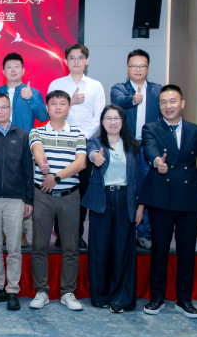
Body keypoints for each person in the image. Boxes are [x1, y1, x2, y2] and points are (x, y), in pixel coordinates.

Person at [140, 84, 197, 319]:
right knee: (159, 249)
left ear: (182, 104)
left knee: (186, 251)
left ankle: (184, 299)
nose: (168, 106)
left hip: (188, 200)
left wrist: (188, 182)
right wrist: (157, 163)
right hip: (160, 198)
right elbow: (150, 151)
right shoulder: (151, 128)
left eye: (172, 101)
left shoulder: (196, 131)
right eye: (163, 102)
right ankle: (157, 297)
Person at [81, 104, 144, 313]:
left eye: (116, 118)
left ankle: (121, 298)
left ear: (123, 121)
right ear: (102, 122)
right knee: (100, 249)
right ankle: (100, 296)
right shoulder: (95, 142)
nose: (112, 122)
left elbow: (139, 178)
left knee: (122, 250)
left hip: (126, 200)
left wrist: (140, 205)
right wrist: (95, 157)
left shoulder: (134, 146)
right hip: (102, 200)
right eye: (108, 118)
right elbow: (91, 152)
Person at [28, 90, 86, 311]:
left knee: (70, 246)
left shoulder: (78, 133)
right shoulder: (37, 131)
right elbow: (37, 149)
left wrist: (56, 177)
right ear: (47, 107)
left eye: (63, 103)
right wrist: (42, 164)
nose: (58, 107)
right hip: (42, 196)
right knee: (39, 246)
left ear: (69, 107)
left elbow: (81, 163)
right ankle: (41, 291)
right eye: (54, 103)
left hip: (69, 196)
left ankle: (67, 292)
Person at [0, 52, 47, 248]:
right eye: (9, 67)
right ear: (3, 71)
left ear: (23, 70)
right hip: (0, 148)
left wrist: (31, 99)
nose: (13, 70)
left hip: (24, 148)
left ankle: (22, 231)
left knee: (25, 188)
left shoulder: (32, 92)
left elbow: (43, 116)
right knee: (3, 187)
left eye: (16, 66)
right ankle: (4, 231)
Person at [0, 93, 33, 311]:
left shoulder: (22, 135)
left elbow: (28, 170)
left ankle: (12, 290)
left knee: (14, 248)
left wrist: (29, 199)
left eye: (3, 107)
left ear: (10, 110)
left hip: (15, 199)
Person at [48, 43, 105, 249]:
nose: (76, 61)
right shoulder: (56, 84)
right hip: (59, 143)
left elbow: (99, 117)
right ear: (66, 61)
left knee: (81, 191)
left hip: (84, 145)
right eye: (72, 58)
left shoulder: (96, 86)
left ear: (87, 61)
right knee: (59, 188)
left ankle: (77, 234)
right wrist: (69, 102)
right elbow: (53, 112)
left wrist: (80, 139)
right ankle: (60, 234)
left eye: (80, 58)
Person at [110, 49, 162, 250]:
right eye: (134, 66)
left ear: (148, 68)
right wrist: (133, 100)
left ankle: (145, 232)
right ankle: (124, 231)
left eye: (142, 66)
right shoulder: (120, 88)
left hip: (149, 147)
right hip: (126, 147)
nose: (138, 69)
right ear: (127, 68)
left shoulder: (157, 90)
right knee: (125, 189)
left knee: (146, 190)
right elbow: (118, 101)